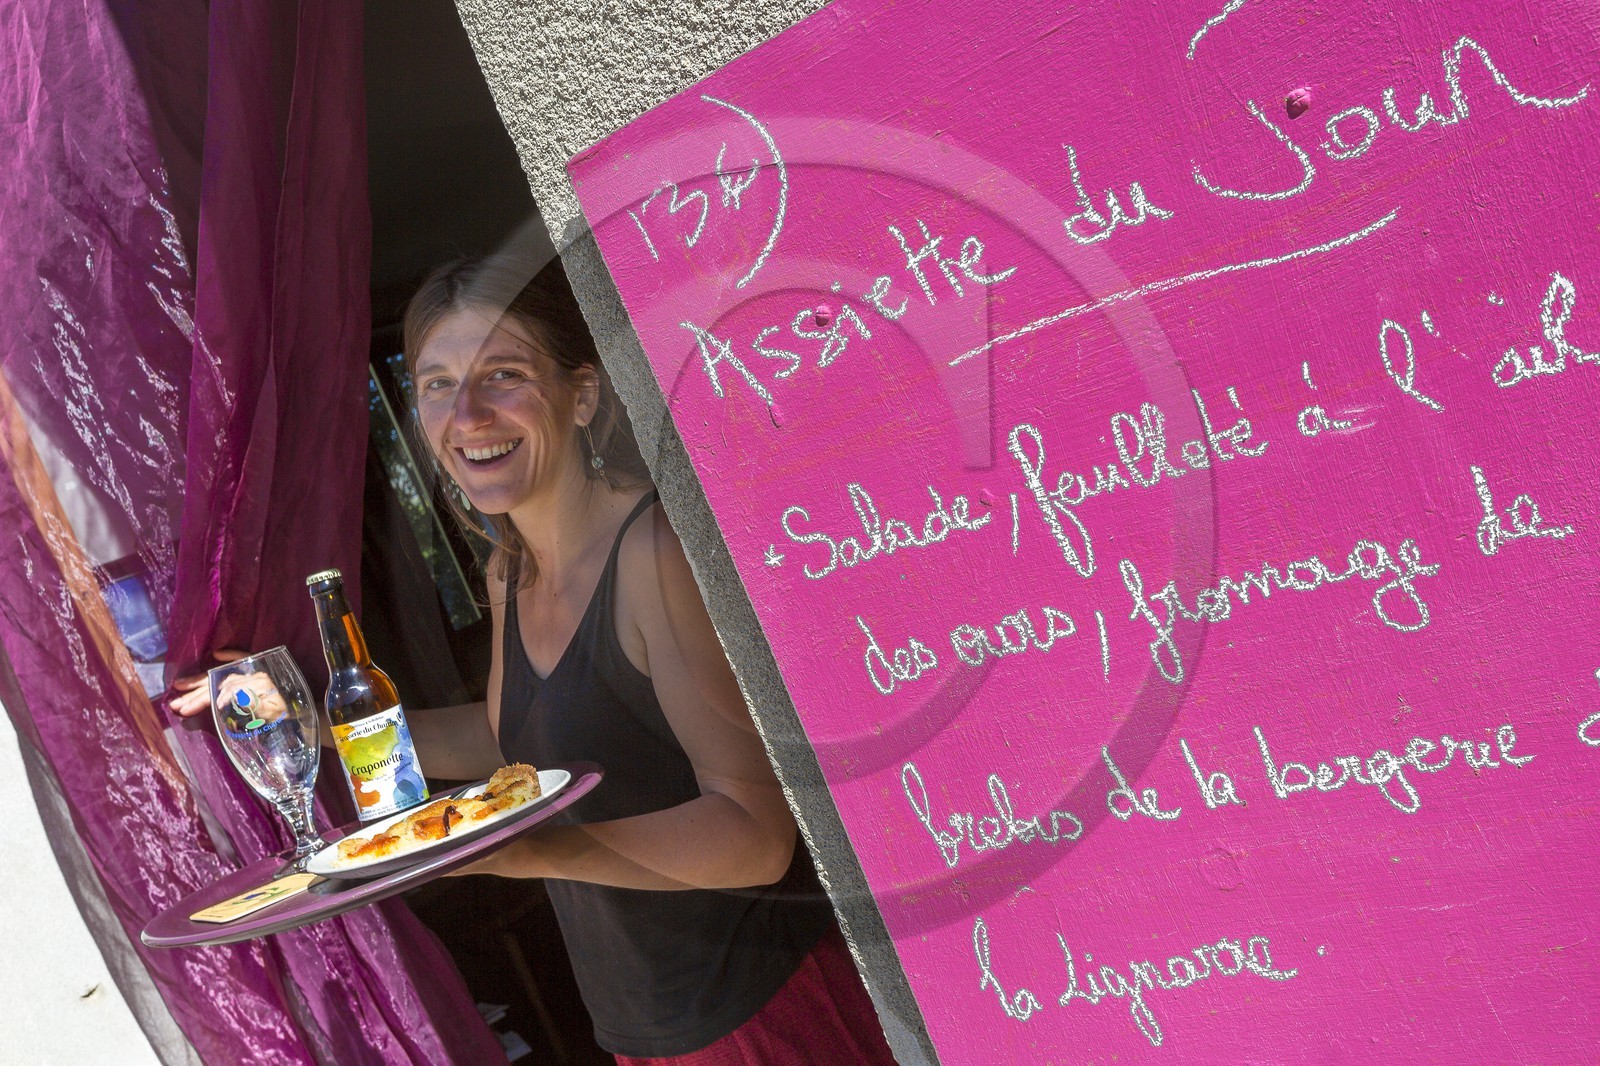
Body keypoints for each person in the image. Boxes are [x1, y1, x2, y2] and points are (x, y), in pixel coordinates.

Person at [174, 255, 897, 1065]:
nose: (467, 414)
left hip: (762, 1013)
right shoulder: (510, 568)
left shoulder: (654, 554)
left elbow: (755, 837)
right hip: (641, 1026)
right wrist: (308, 722)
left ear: (582, 394)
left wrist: (521, 852)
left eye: (503, 374)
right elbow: (514, 739)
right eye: (437, 384)